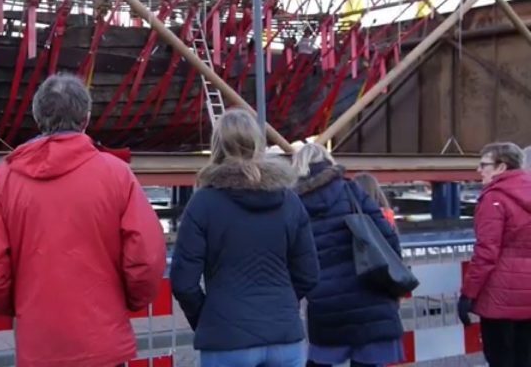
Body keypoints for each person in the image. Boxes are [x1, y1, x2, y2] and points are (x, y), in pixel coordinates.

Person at [0, 73, 166, 367]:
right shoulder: (116, 173)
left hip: (39, 343)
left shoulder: (6, 177)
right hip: (103, 339)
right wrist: (130, 303)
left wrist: (23, 305)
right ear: (86, 118)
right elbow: (146, 258)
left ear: (38, 117)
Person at [170, 109, 320, 367]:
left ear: (217, 146)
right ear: (258, 144)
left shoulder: (203, 204)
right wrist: (280, 305)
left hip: (227, 339)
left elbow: (184, 282)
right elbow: (309, 274)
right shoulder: (290, 202)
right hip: (284, 336)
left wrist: (207, 319)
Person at [292, 143, 404, 367]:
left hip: (326, 305)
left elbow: (295, 259)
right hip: (369, 295)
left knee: (319, 359)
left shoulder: (295, 205)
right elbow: (388, 239)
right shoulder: (352, 191)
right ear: (328, 162)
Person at [459, 142, 531, 367]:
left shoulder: (494, 198)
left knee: (500, 357)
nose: (479, 170)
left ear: (501, 167)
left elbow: (486, 253)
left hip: (500, 296)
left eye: (484, 165)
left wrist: (468, 294)